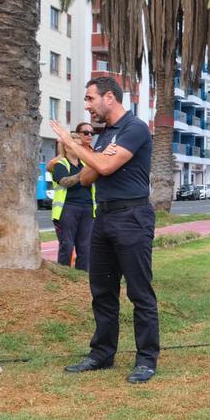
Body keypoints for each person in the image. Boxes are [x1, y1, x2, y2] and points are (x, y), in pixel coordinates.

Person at [51, 77, 159, 384]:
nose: (87, 106)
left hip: (132, 216)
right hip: (105, 217)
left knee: (140, 292)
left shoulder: (134, 128)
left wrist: (73, 145)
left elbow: (107, 168)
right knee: (102, 291)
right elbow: (87, 177)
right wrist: (90, 154)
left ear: (109, 97)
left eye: (90, 99)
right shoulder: (106, 135)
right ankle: (101, 354)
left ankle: (146, 359)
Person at [51, 122, 97, 270]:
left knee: (85, 246)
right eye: (73, 145)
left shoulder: (84, 164)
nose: (77, 149)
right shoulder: (61, 164)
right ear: (66, 147)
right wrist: (82, 175)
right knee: (67, 244)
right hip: (68, 208)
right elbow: (64, 182)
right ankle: (64, 274)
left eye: (79, 146)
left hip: (87, 208)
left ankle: (83, 276)